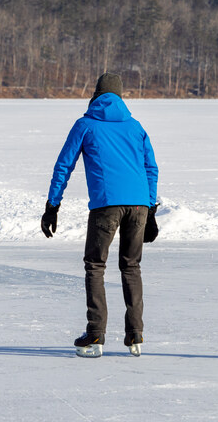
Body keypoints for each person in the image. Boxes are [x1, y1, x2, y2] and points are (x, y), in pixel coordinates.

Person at [42, 72, 159, 358]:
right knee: (131, 267)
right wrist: (151, 208)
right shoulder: (135, 126)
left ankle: (95, 334)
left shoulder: (85, 124)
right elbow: (151, 168)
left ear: (95, 94)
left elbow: (63, 166)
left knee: (95, 265)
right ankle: (135, 335)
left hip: (106, 205)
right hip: (139, 206)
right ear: (120, 96)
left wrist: (52, 206)